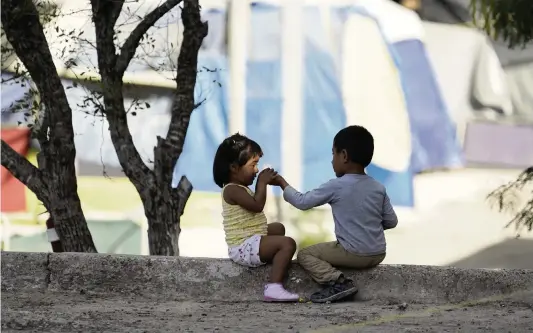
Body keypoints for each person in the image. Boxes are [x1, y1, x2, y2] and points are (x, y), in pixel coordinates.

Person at [272, 125, 398, 303]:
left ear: (344, 156)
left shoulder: (336, 186)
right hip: (378, 253)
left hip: (353, 254)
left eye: (333, 154)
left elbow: (302, 202)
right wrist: (367, 224)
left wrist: (282, 183)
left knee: (305, 255)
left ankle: (338, 282)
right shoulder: (378, 187)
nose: (332, 161)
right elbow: (391, 221)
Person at [212, 133, 300, 302]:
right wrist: (262, 183)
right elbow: (257, 205)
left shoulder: (240, 187)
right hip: (243, 247)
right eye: (253, 164)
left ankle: (271, 254)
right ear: (234, 167)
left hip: (251, 237)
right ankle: (274, 288)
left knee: (278, 228)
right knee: (288, 243)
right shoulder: (232, 190)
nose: (257, 170)